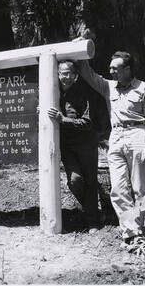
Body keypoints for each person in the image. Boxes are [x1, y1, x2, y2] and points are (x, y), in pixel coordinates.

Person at [75, 51, 145, 243]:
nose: (111, 71)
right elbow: (88, 73)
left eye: (115, 68)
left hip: (138, 135)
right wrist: (80, 48)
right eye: (110, 68)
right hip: (116, 138)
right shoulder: (109, 87)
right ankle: (131, 233)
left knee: (140, 187)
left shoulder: (144, 88)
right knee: (119, 189)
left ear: (127, 69)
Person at [47, 61, 100, 233]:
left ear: (75, 74)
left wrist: (64, 120)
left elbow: (88, 122)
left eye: (69, 73)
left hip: (86, 143)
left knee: (90, 181)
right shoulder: (53, 92)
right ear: (58, 74)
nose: (66, 77)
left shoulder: (83, 92)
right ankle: (93, 211)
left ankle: (93, 222)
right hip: (67, 146)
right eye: (63, 73)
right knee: (75, 180)